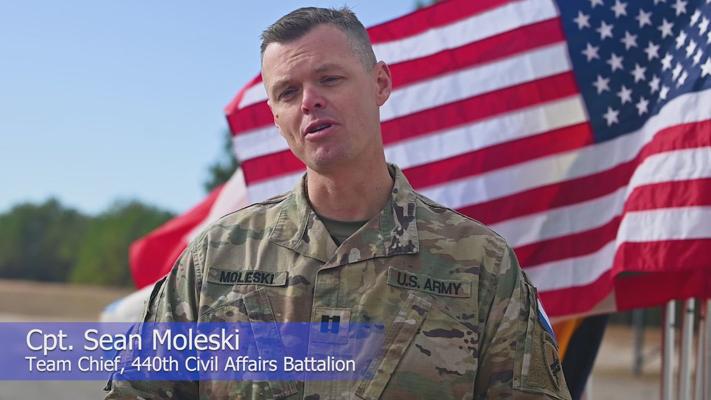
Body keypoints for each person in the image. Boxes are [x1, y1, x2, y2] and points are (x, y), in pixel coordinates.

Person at [105, 7, 570, 400]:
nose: (310, 102)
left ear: (380, 83)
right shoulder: (216, 258)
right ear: (276, 118)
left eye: (329, 79)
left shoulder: (480, 263)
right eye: (288, 93)